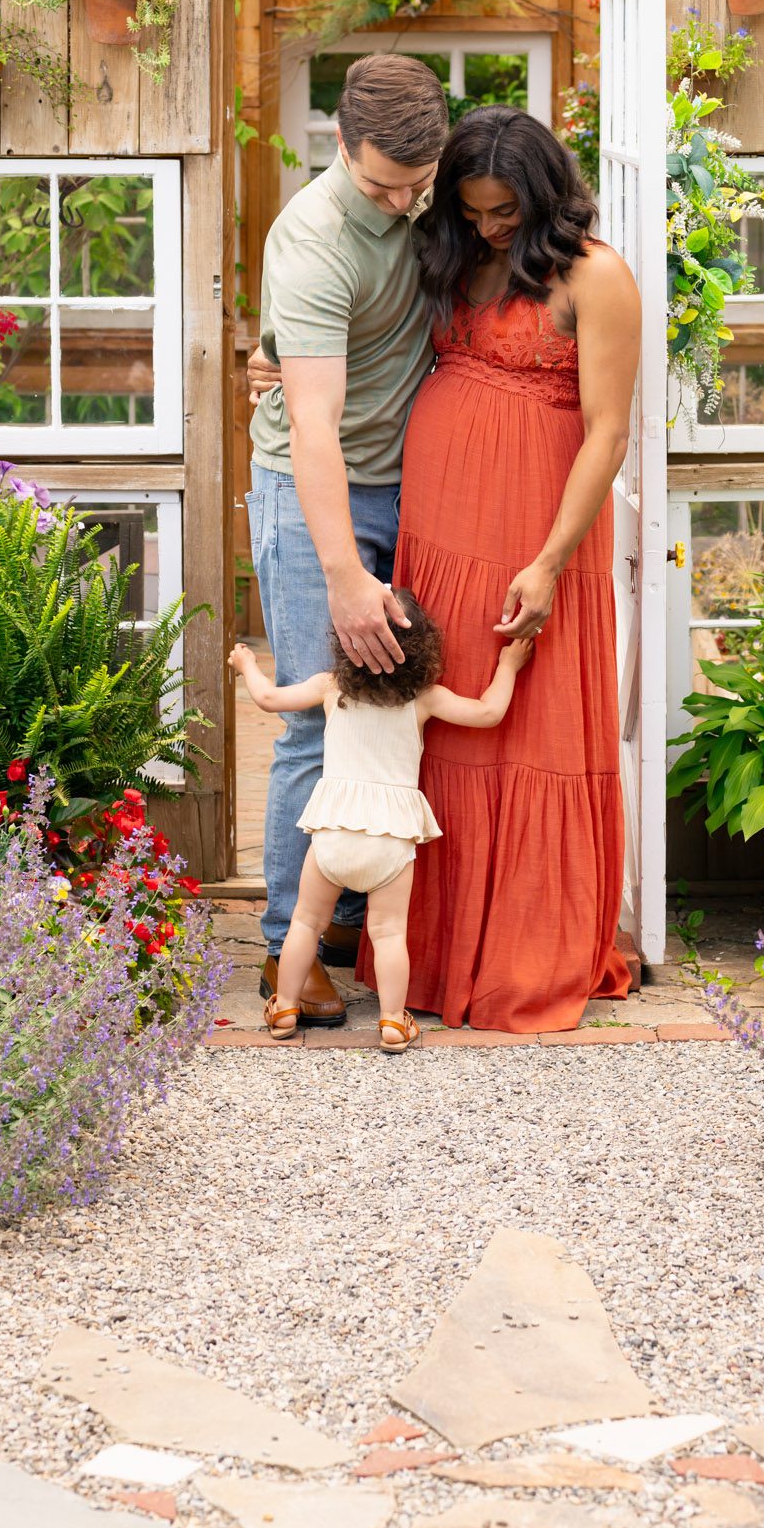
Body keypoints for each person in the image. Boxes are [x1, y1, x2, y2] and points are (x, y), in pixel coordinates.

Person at [371, 105, 642, 1031]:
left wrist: (549, 562)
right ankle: (433, 948)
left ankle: (526, 951)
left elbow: (608, 431)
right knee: (440, 726)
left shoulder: (594, 275)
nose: (488, 227)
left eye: (503, 212)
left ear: (543, 194)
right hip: (441, 529)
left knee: (528, 730)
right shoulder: (457, 255)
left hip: (535, 531)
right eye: (473, 209)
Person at [246, 52, 451, 1026]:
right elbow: (313, 424)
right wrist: (340, 575)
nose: (405, 199)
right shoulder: (312, 240)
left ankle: (341, 920)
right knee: (310, 718)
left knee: (395, 704)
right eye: (383, 183)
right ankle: (285, 945)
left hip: (407, 481)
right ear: (338, 142)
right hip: (310, 492)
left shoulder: (426, 192)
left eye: (420, 179)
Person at [230, 600, 533, 1051]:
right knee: (389, 932)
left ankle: (286, 1006)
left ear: (348, 643)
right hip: (390, 840)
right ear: (422, 648)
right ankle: (393, 1020)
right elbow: (489, 713)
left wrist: (246, 663)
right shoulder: (424, 698)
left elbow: (269, 698)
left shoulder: (332, 687)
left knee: (306, 923)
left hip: (333, 832)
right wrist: (508, 664)